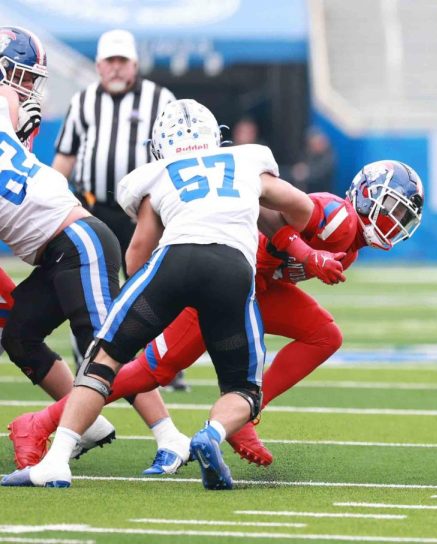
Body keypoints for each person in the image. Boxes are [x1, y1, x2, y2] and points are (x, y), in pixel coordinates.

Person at [2, 99, 344, 490]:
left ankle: (56, 461)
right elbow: (301, 208)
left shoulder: (158, 173)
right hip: (233, 271)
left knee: (105, 359)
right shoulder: (246, 161)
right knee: (243, 389)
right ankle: (211, 434)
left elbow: (138, 251)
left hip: (174, 263)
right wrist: (270, 226)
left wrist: (147, 295)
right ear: (215, 137)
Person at [8, 160, 423, 474]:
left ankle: (244, 418)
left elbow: (277, 266)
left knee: (324, 335)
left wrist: (300, 262)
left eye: (402, 216)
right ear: (367, 193)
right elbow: (269, 217)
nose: (394, 221)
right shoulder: (337, 217)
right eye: (391, 207)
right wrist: (308, 255)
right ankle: (40, 421)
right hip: (226, 278)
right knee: (154, 369)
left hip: (257, 286)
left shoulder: (350, 244)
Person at [1, 26, 175, 463]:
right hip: (58, 248)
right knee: (18, 335)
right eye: (21, 78)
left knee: (107, 346)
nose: (25, 90)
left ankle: (169, 437)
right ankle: (88, 423)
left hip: (79, 240)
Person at [51, 29, 176, 277]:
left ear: (135, 64)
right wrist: (50, 198)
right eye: (110, 61)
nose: (116, 67)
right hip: (93, 208)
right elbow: (66, 156)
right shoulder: (82, 100)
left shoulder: (161, 99)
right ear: (98, 65)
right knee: (92, 281)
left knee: (142, 280)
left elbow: (174, 158)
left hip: (144, 212)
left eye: (122, 61)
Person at [289, 127, 336, 194]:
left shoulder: (329, 157)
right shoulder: (310, 152)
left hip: (321, 191)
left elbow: (321, 172)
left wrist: (307, 172)